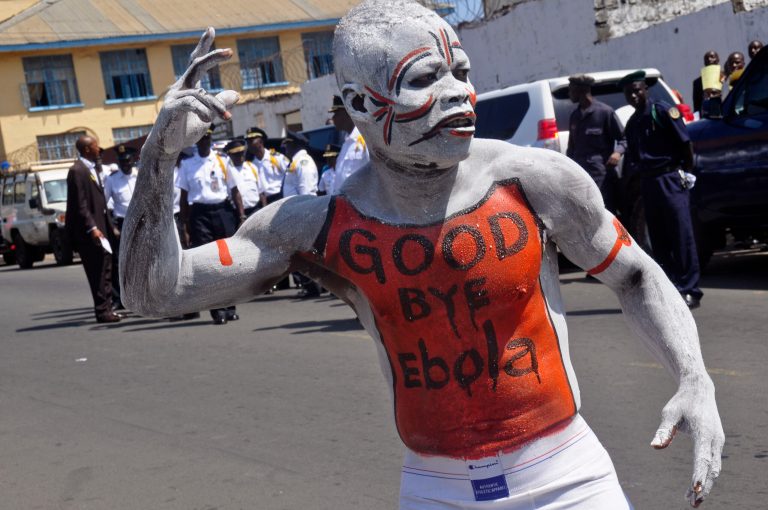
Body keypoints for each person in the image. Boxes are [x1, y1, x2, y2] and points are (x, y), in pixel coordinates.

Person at [122, 9, 723, 509]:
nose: (459, 94)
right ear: (359, 102)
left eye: (461, 72)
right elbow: (153, 292)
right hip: (437, 491)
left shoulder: (533, 180)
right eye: (427, 78)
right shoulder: (316, 227)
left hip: (567, 479)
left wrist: (694, 376)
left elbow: (636, 274)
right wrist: (161, 154)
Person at [621, 70, 703, 310]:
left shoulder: (663, 110)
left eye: (637, 90)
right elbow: (635, 159)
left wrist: (686, 173)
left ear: (646, 89)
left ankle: (690, 289)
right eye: (629, 93)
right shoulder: (633, 123)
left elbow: (685, 143)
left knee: (681, 234)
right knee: (658, 237)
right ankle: (671, 288)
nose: (634, 95)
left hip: (669, 177)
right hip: (649, 182)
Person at [177, 126, 245, 324]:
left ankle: (230, 307)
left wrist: (241, 216)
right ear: (196, 142)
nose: (204, 142)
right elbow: (183, 198)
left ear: (210, 139)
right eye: (200, 139)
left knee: (227, 261)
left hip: (223, 212)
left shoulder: (223, 161)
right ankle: (217, 310)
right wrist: (185, 225)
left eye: (207, 138)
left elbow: (234, 191)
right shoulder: (187, 165)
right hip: (200, 214)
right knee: (208, 263)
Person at [65, 135, 120, 323]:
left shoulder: (91, 168)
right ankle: (103, 311)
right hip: (90, 233)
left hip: (102, 228)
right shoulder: (77, 171)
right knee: (97, 271)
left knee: (106, 269)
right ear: (87, 149)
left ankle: (106, 308)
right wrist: (93, 228)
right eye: (96, 145)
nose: (99, 148)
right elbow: (79, 205)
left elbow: (101, 203)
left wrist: (109, 226)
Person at [565, 74, 626, 214]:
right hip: (582, 179)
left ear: (581, 91)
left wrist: (617, 153)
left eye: (571, 90)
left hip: (602, 177)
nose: (569, 94)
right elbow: (571, 149)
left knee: (606, 213)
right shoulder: (575, 116)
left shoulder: (605, 112)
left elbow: (624, 139)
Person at [280, 131, 321, 297]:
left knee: (307, 252)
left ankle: (313, 286)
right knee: (302, 252)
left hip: (303, 212)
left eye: (287, 145)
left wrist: (303, 214)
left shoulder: (303, 162)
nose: (285, 149)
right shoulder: (296, 161)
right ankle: (310, 285)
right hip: (296, 212)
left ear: (295, 145)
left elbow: (305, 191)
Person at [103, 144, 138, 310]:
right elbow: (104, 205)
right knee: (120, 262)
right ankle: (119, 299)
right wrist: (112, 227)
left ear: (133, 161)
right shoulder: (112, 179)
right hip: (122, 224)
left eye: (128, 161)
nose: (126, 164)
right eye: (122, 161)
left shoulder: (140, 175)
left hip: (141, 223)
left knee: (142, 260)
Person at [328, 95, 370, 195]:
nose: (333, 118)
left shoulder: (364, 139)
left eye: (336, 114)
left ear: (346, 113)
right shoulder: (346, 143)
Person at [224, 139, 266, 217]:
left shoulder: (252, 167)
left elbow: (261, 192)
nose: (240, 156)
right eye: (236, 154)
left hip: (255, 210)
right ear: (230, 155)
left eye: (242, 153)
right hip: (236, 214)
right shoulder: (227, 170)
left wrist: (265, 211)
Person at [245, 127, 285, 204]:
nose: (249, 144)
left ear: (261, 141)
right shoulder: (251, 164)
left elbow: (289, 175)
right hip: (264, 201)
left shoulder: (277, 158)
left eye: (251, 141)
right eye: (248, 141)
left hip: (280, 196)